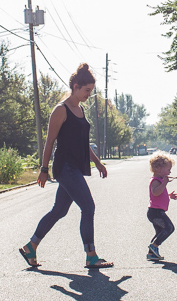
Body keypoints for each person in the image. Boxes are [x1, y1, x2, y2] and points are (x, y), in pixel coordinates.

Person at [19, 63, 113, 269]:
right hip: (65, 167)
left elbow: (83, 143)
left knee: (59, 210)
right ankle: (91, 255)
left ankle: (31, 246)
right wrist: (44, 169)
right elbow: (49, 141)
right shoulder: (61, 110)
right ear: (76, 86)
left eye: (91, 91)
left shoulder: (79, 110)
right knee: (88, 207)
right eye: (87, 90)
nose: (89, 94)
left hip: (76, 167)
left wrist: (98, 163)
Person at [146, 151, 177, 261]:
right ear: (159, 169)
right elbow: (155, 192)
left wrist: (169, 196)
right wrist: (164, 184)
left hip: (157, 211)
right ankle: (154, 246)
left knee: (160, 232)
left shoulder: (160, 180)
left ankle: (151, 253)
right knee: (169, 228)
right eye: (168, 169)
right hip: (155, 212)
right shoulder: (155, 181)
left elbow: (159, 194)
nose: (170, 171)